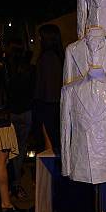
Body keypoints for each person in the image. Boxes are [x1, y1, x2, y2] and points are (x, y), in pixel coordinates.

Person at [0, 46, 25, 212]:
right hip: (1, 117)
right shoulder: (1, 68)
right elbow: (9, 91)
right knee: (1, 162)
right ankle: (6, 203)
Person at [6, 38, 35, 199]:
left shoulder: (7, 70)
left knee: (7, 150)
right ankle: (15, 182)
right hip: (25, 111)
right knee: (20, 148)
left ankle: (10, 183)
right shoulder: (29, 69)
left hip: (10, 113)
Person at [33, 24, 63, 155]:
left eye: (41, 37)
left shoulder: (47, 58)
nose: (39, 40)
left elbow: (45, 86)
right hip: (55, 105)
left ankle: (51, 174)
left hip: (48, 105)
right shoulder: (59, 56)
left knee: (49, 144)